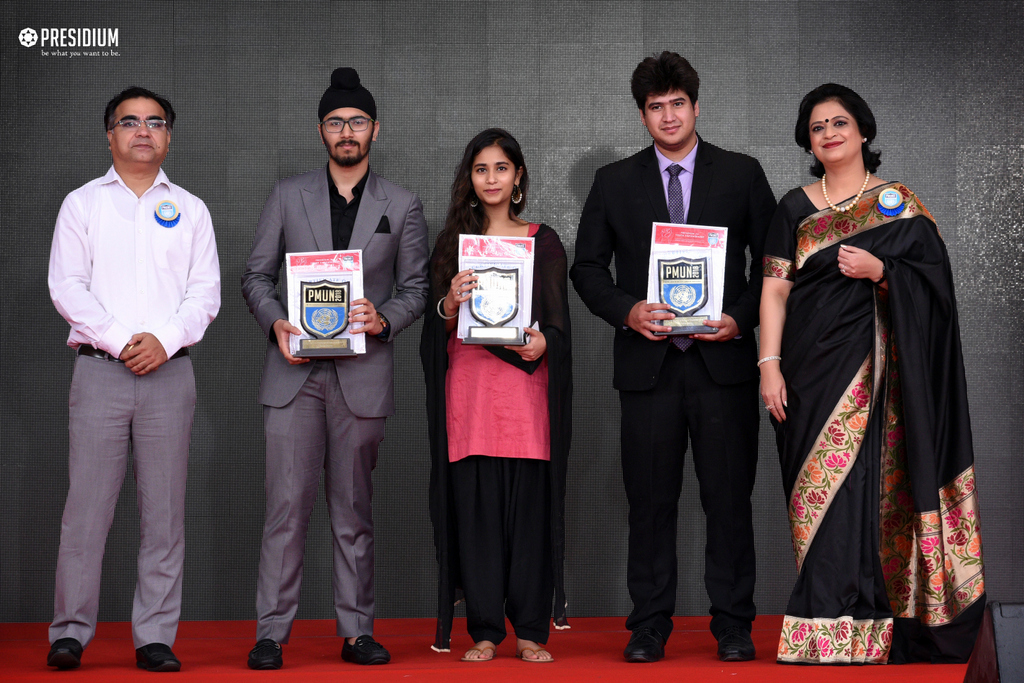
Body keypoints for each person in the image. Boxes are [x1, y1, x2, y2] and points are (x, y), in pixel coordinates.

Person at [759, 83, 985, 664]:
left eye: (839, 122)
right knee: (817, 493)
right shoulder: (794, 208)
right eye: (817, 127)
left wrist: (883, 270)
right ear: (808, 142)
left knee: (869, 487)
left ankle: (873, 624)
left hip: (882, 380)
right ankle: (824, 621)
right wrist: (769, 365)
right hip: (807, 373)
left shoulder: (898, 204)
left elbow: (936, 292)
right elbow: (776, 291)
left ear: (862, 130)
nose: (829, 133)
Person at [571, 52, 776, 663]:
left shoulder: (741, 173)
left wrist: (739, 317)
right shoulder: (614, 182)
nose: (667, 115)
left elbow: (774, 264)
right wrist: (627, 310)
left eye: (677, 103)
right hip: (648, 367)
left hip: (723, 364)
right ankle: (648, 626)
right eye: (655, 107)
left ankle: (734, 624)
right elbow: (587, 268)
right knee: (650, 503)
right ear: (642, 115)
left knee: (729, 501)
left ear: (695, 106)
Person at [241, 67, 429, 669]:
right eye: (335, 122)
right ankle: (271, 633)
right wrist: (276, 322)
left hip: (362, 374)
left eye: (357, 121)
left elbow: (417, 288)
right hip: (293, 372)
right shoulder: (286, 194)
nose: (347, 131)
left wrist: (384, 318)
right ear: (321, 130)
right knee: (285, 510)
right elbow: (255, 277)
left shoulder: (402, 204)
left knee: (353, 511)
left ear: (375, 128)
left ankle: (357, 631)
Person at [46, 86, 221, 672]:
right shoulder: (82, 204)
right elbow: (67, 287)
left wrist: (163, 342)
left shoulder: (191, 209)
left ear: (169, 136)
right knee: (86, 511)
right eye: (129, 122)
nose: (143, 131)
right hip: (100, 371)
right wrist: (123, 340)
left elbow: (205, 293)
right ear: (110, 135)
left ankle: (155, 637)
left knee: (164, 514)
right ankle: (69, 633)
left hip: (170, 374)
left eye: (155, 122)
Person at [420, 129, 572, 663]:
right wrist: (449, 304)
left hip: (526, 398)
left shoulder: (542, 241)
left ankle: (530, 631)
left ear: (518, 176)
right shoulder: (453, 244)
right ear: (470, 177)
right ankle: (485, 630)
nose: (491, 179)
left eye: (501, 168)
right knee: (478, 520)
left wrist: (544, 344)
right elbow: (434, 327)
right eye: (481, 169)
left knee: (528, 519)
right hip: (470, 397)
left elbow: (558, 325)